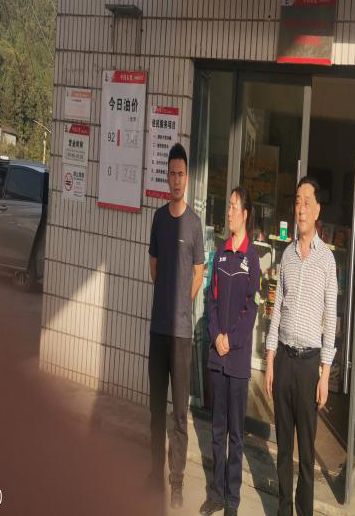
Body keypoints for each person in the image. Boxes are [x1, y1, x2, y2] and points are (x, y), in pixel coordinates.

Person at [265, 176, 337, 516]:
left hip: (309, 365)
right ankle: (284, 510)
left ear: (317, 210)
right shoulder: (287, 256)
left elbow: (331, 318)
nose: (301, 208)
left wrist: (325, 374)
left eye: (307, 202)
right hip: (284, 360)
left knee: (306, 454)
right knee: (283, 449)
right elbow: (277, 310)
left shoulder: (327, 261)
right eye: (297, 201)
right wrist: (269, 359)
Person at [148, 142, 205, 509]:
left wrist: (182, 302)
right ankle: (154, 477)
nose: (176, 179)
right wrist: (168, 300)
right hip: (158, 332)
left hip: (182, 335)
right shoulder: (158, 219)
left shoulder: (194, 224)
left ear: (187, 177)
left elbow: (199, 273)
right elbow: (153, 267)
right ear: (166, 177)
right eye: (171, 174)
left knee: (180, 415)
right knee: (156, 411)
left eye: (181, 174)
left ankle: (177, 482)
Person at [199, 187, 260, 516]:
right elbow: (211, 300)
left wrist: (230, 339)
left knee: (236, 435)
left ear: (245, 214)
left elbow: (251, 310)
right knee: (217, 430)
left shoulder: (251, 259)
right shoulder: (221, 253)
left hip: (236, 360)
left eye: (235, 207)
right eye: (229, 206)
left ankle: (233, 501)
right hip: (217, 358)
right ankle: (217, 493)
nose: (229, 212)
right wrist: (215, 335)